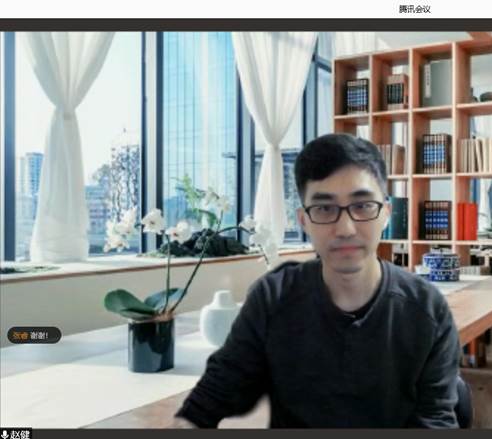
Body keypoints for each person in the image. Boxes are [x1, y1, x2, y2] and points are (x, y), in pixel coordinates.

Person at [172, 133, 461, 428]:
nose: (346, 229)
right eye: (324, 209)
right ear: (303, 221)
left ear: (385, 213)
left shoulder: (427, 310)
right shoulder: (273, 298)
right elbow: (211, 397)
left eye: (362, 206)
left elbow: (435, 419)